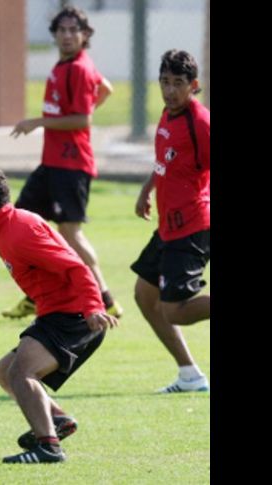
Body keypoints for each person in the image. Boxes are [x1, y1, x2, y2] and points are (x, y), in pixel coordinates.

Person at [0, 167, 118, 464]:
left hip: (73, 317)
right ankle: (57, 420)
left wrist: (93, 307)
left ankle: (49, 447)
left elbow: (75, 267)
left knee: (22, 373)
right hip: (57, 315)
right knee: (6, 370)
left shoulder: (20, 231)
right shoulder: (8, 229)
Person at [4, 5, 122, 320]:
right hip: (53, 163)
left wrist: (38, 122)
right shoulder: (67, 65)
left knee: (69, 232)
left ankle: (105, 297)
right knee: (23, 221)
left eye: (74, 30)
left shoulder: (78, 69)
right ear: (55, 34)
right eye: (62, 30)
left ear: (85, 36)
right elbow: (106, 88)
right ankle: (35, 296)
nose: (68, 35)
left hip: (71, 165)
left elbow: (82, 119)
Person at [131, 50, 210, 394]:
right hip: (168, 227)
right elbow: (165, 161)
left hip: (193, 226)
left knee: (174, 310)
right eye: (165, 82)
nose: (170, 90)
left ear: (194, 86)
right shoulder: (167, 114)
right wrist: (147, 189)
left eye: (178, 84)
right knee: (145, 296)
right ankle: (189, 374)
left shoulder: (201, 123)